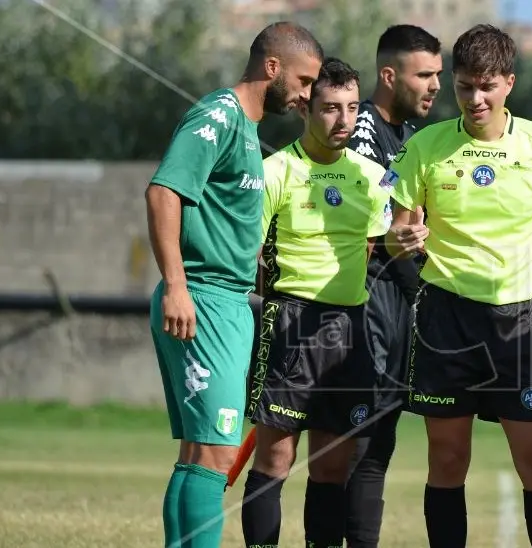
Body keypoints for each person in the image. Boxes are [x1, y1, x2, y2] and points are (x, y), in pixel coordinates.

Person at [384, 24, 532, 548]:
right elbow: (397, 235)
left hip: (517, 323)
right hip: (444, 318)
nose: (475, 98)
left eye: (486, 86)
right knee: (447, 460)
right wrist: (404, 236)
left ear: (509, 82)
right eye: (464, 86)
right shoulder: (427, 147)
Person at [145, 21, 321, 548]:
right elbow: (162, 194)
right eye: (305, 80)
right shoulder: (218, 115)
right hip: (203, 300)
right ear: (272, 68)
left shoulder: (247, 127)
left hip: (223, 304)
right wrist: (176, 285)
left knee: (199, 454)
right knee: (218, 455)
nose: (308, 94)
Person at [239, 57, 392, 548]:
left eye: (350, 107)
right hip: (287, 323)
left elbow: (370, 249)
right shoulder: (276, 170)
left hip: (350, 330)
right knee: (276, 461)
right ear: (307, 107)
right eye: (330, 108)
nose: (343, 119)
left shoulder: (372, 177)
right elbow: (252, 255)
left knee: (332, 466)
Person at [342, 24, 443, 548]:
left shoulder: (412, 140)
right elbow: (379, 230)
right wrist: (429, 289)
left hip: (398, 304)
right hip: (367, 302)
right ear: (389, 74)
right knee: (359, 442)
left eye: (438, 76)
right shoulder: (362, 130)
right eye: (423, 74)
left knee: (378, 442)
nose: (434, 87)